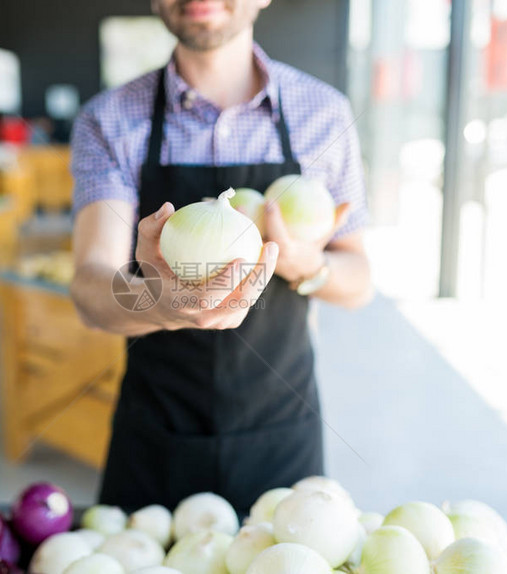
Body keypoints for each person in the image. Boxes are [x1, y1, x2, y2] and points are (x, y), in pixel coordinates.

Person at [70, 0, 372, 512]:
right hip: (156, 434)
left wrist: (304, 265)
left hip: (283, 427)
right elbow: (90, 288)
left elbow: (359, 280)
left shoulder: (324, 113)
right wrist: (159, 303)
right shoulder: (109, 119)